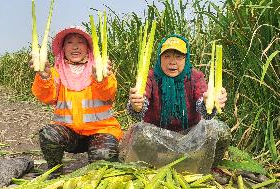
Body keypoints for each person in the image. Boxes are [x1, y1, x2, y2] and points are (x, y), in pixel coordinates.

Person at [126, 34, 231, 174]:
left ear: (185, 59)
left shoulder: (196, 76)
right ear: (159, 58)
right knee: (140, 133)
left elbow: (203, 107)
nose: (172, 62)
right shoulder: (150, 76)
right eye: (167, 56)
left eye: (178, 57)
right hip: (158, 139)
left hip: (190, 139)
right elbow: (140, 104)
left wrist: (208, 102)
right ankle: (157, 167)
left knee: (221, 131)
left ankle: (206, 165)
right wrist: (136, 106)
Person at [30, 26, 123, 177]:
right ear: (63, 48)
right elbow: (47, 98)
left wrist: (100, 79)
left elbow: (109, 94)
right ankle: (55, 171)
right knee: (48, 134)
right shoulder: (55, 72)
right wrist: (44, 77)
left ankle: (101, 160)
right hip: (69, 133)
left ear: (88, 48)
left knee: (103, 156)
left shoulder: (100, 69)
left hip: (100, 131)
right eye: (69, 42)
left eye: (80, 42)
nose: (75, 46)